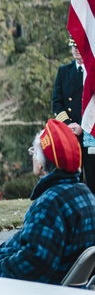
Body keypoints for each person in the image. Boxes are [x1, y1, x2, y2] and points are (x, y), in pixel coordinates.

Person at [0, 119, 95, 283]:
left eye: (34, 152)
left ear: (40, 162)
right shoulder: (86, 194)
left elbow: (34, 265)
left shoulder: (50, 204)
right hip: (73, 292)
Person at [52, 38, 95, 194]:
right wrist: (70, 124)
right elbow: (56, 103)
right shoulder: (64, 71)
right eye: (73, 46)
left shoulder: (93, 71)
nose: (76, 50)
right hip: (71, 134)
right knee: (73, 179)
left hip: (91, 131)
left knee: (92, 178)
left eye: (79, 46)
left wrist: (84, 127)